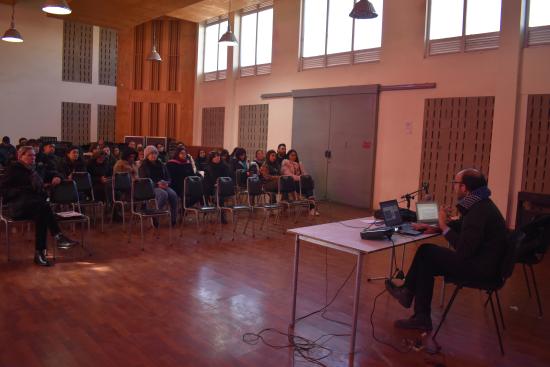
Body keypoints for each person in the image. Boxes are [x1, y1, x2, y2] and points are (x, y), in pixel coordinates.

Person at [385, 168, 508, 331]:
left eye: (455, 183)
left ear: (464, 187)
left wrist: (442, 225)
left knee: (426, 253)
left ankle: (410, 297)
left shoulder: (478, 211)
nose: (454, 187)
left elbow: (463, 250)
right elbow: (464, 227)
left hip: (481, 269)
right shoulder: (481, 203)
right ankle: (418, 311)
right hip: (485, 263)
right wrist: (435, 227)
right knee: (426, 259)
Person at [0, 146, 78, 266]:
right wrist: (23, 190)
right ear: (20, 156)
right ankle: (57, 237)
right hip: (19, 206)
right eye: (29, 155)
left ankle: (40, 253)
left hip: (36, 206)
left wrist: (57, 177)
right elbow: (3, 190)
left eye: (34, 155)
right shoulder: (13, 169)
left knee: (42, 212)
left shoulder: (37, 169)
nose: (33, 158)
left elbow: (55, 173)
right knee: (44, 208)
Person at [138, 145, 178, 226]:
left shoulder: (161, 164)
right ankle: (155, 214)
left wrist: (167, 182)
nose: (153, 155)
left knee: (173, 195)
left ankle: (173, 218)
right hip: (151, 187)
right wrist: (157, 184)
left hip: (163, 185)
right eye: (151, 154)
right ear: (147, 155)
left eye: (155, 153)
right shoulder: (143, 166)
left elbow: (168, 176)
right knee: (163, 194)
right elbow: (144, 180)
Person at [281, 149, 318, 215]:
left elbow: (304, 173)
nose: (294, 157)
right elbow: (290, 176)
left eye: (295, 155)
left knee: (308, 179)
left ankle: (311, 205)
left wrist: (301, 167)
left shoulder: (298, 164)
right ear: (288, 156)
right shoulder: (285, 164)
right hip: (289, 184)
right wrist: (301, 178)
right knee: (307, 185)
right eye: (292, 155)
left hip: (299, 184)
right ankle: (311, 202)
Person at [204, 151, 231, 223]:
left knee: (220, 192)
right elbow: (206, 182)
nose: (217, 158)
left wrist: (220, 183)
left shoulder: (225, 166)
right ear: (211, 158)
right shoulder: (208, 168)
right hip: (212, 187)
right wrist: (214, 184)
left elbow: (227, 178)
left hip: (223, 186)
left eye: (218, 156)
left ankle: (216, 202)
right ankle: (222, 214)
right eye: (215, 156)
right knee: (218, 192)